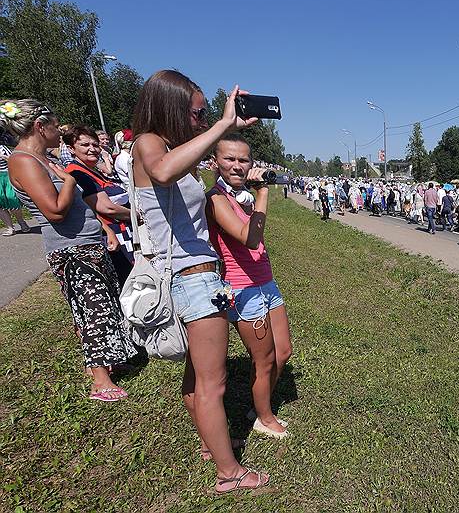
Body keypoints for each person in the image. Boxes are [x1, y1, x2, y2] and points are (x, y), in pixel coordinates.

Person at [131, 71, 269, 492]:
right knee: (214, 381)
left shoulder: (169, 146)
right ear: (170, 106)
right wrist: (222, 126)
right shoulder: (148, 143)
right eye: (196, 112)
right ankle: (229, 472)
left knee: (197, 376)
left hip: (196, 275)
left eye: (205, 112)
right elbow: (163, 171)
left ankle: (214, 446)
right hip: (191, 278)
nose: (201, 118)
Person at [5, 99, 136, 402]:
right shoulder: (23, 160)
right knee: (93, 309)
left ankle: (110, 361)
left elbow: (79, 205)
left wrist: (103, 229)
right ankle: (100, 381)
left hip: (86, 243)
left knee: (104, 304)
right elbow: (54, 211)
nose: (58, 129)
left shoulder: (41, 158)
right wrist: (68, 179)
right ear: (40, 127)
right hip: (71, 249)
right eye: (54, 124)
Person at [206, 133, 293, 441]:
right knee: (264, 359)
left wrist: (255, 196)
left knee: (283, 352)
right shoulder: (216, 198)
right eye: (230, 159)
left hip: (265, 281)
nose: (237, 165)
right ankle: (264, 417)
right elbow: (249, 238)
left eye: (244, 160)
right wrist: (263, 195)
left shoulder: (243, 197)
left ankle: (260, 405)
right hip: (243, 289)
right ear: (215, 162)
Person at [63, 125, 134, 286]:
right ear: (71, 149)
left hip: (122, 235)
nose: (92, 149)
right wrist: (138, 217)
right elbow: (106, 207)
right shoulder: (77, 173)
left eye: (95, 144)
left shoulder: (91, 170)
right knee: (127, 282)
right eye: (85, 145)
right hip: (112, 238)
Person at [0, 137, 31, 236]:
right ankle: (10, 228)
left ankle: (21, 222)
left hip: (6, 176)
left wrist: (2, 156)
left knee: (12, 200)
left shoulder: (2, 148)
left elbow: (13, 159)